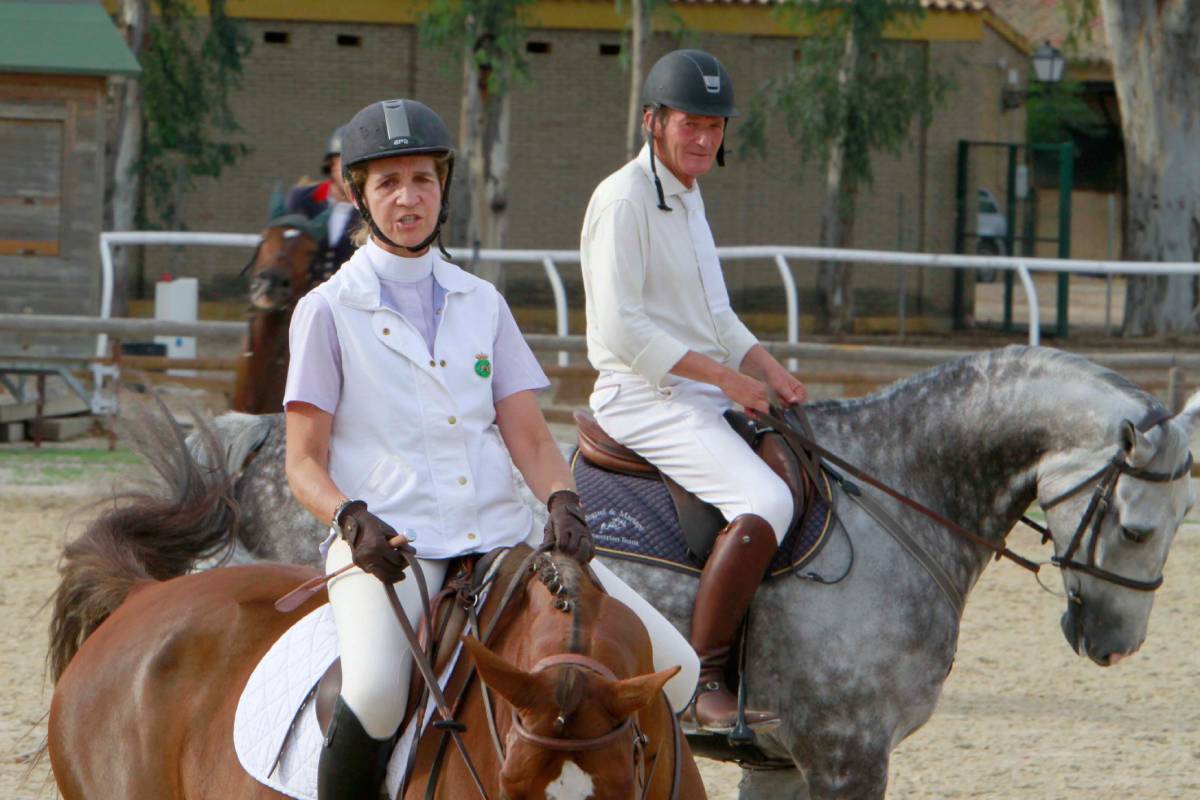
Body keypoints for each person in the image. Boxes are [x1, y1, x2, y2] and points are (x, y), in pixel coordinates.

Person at [283, 98, 699, 799]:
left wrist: (562, 500)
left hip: (503, 538)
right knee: (381, 692)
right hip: (389, 548)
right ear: (359, 193)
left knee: (680, 670)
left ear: (444, 188)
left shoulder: (482, 302)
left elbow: (528, 434)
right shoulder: (327, 310)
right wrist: (351, 520)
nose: (408, 198)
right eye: (388, 183)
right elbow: (302, 461)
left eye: (422, 179)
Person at [580, 50, 808, 735]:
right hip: (641, 394)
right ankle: (705, 679)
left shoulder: (686, 194)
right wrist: (728, 381)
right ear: (653, 121)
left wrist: (770, 370)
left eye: (715, 126)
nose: (705, 138)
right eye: (691, 124)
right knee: (766, 498)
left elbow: (715, 315)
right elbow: (623, 328)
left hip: (695, 390)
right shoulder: (622, 199)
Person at [286, 125, 360, 280]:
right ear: (332, 165)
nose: (353, 175)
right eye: (347, 166)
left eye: (360, 167)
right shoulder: (302, 199)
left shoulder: (371, 210)